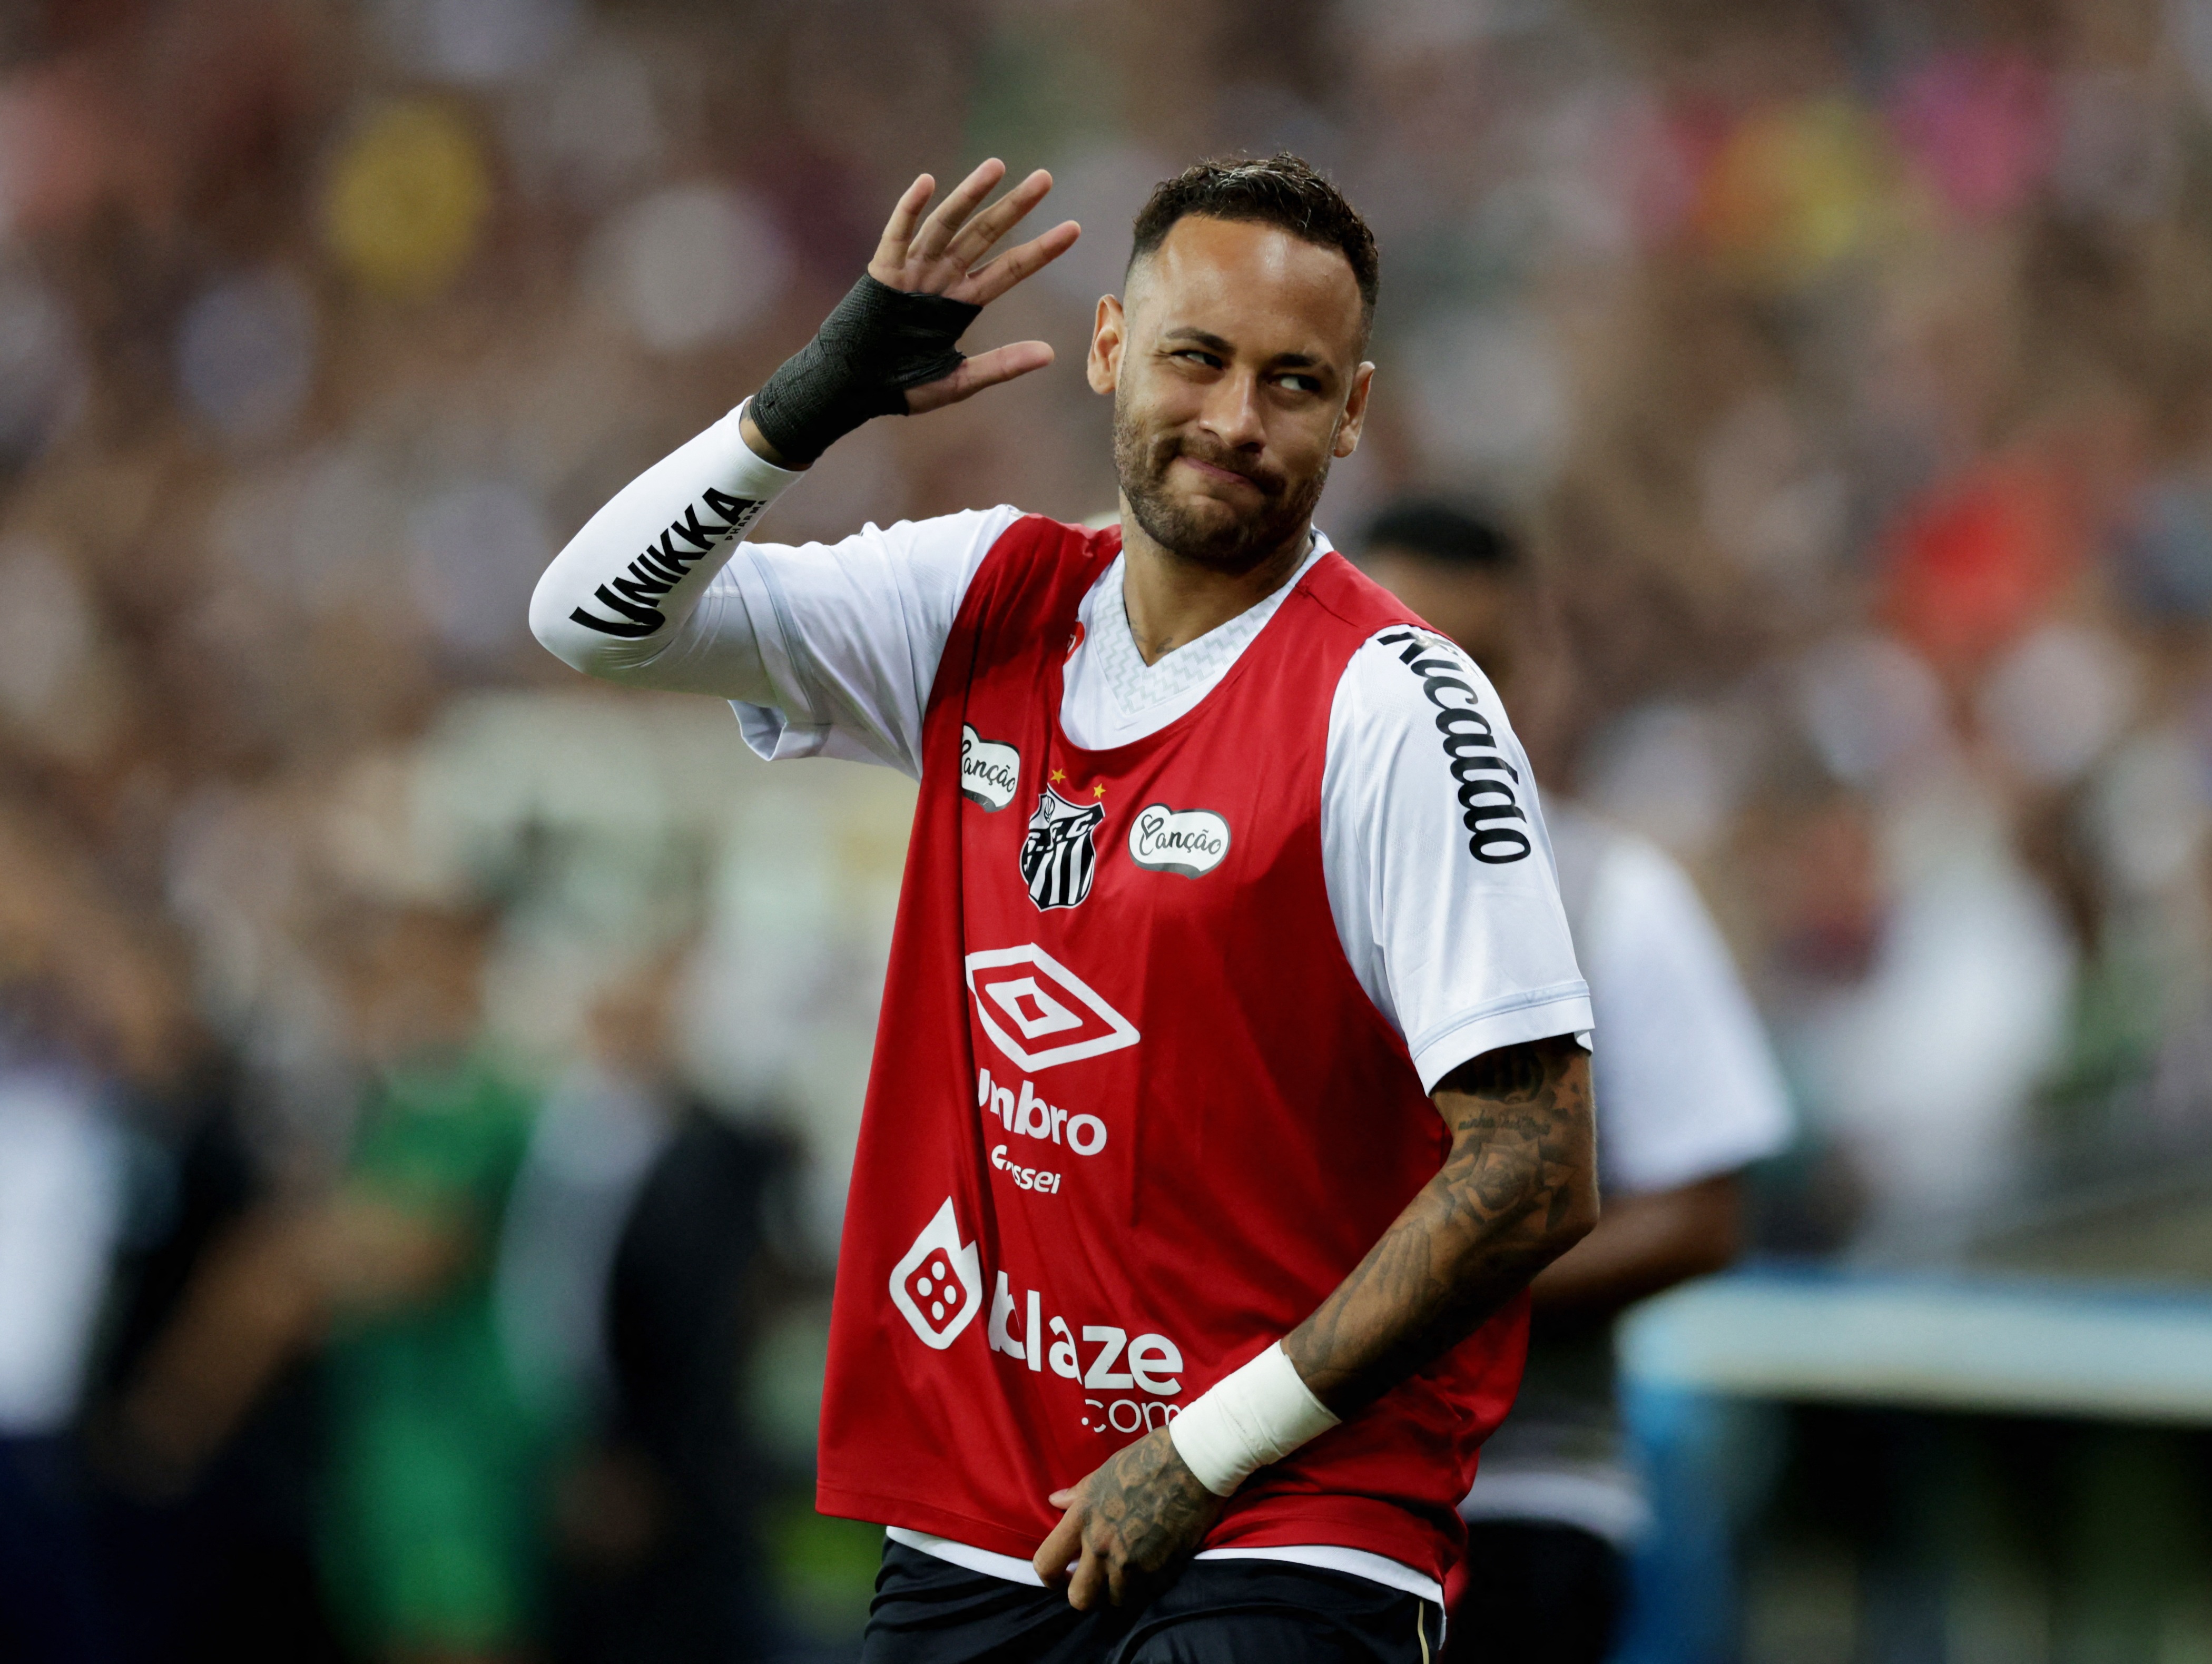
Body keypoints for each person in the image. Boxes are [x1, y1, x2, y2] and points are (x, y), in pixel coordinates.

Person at [529, 153, 1600, 1661]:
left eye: (1293, 382)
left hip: (1286, 1523)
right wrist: (815, 396)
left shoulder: (1397, 704)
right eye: (1196, 356)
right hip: (988, 1515)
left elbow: (1538, 1166)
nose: (1235, 419)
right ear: (1109, 346)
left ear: (1354, 412)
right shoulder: (981, 598)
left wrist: (1203, 1449)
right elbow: (592, 620)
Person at [1356, 503, 1794, 1664]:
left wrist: (1419, 1303)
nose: (1448, 700)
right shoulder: (1254, 866)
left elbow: (1701, 1214)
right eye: (1408, 658)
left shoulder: (1613, 894)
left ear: (1541, 668)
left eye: (1483, 664)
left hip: (1522, 1488)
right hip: (1282, 1487)